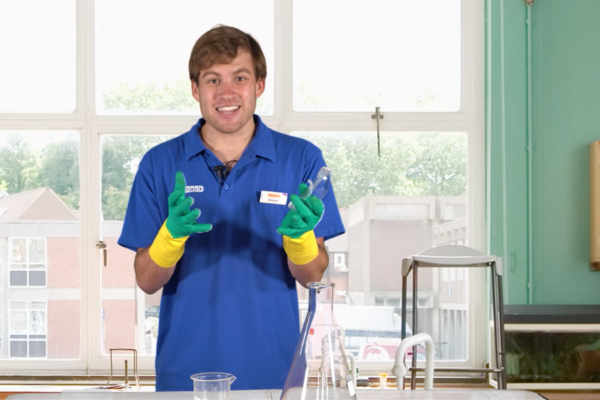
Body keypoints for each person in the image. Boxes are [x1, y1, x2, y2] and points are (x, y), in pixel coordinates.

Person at [118, 25, 345, 391]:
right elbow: (146, 280)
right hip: (184, 375)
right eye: (212, 80)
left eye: (240, 77)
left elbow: (312, 277)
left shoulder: (301, 159)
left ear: (259, 85)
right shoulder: (159, 164)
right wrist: (170, 237)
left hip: (276, 373)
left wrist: (301, 239)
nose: (226, 92)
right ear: (195, 89)